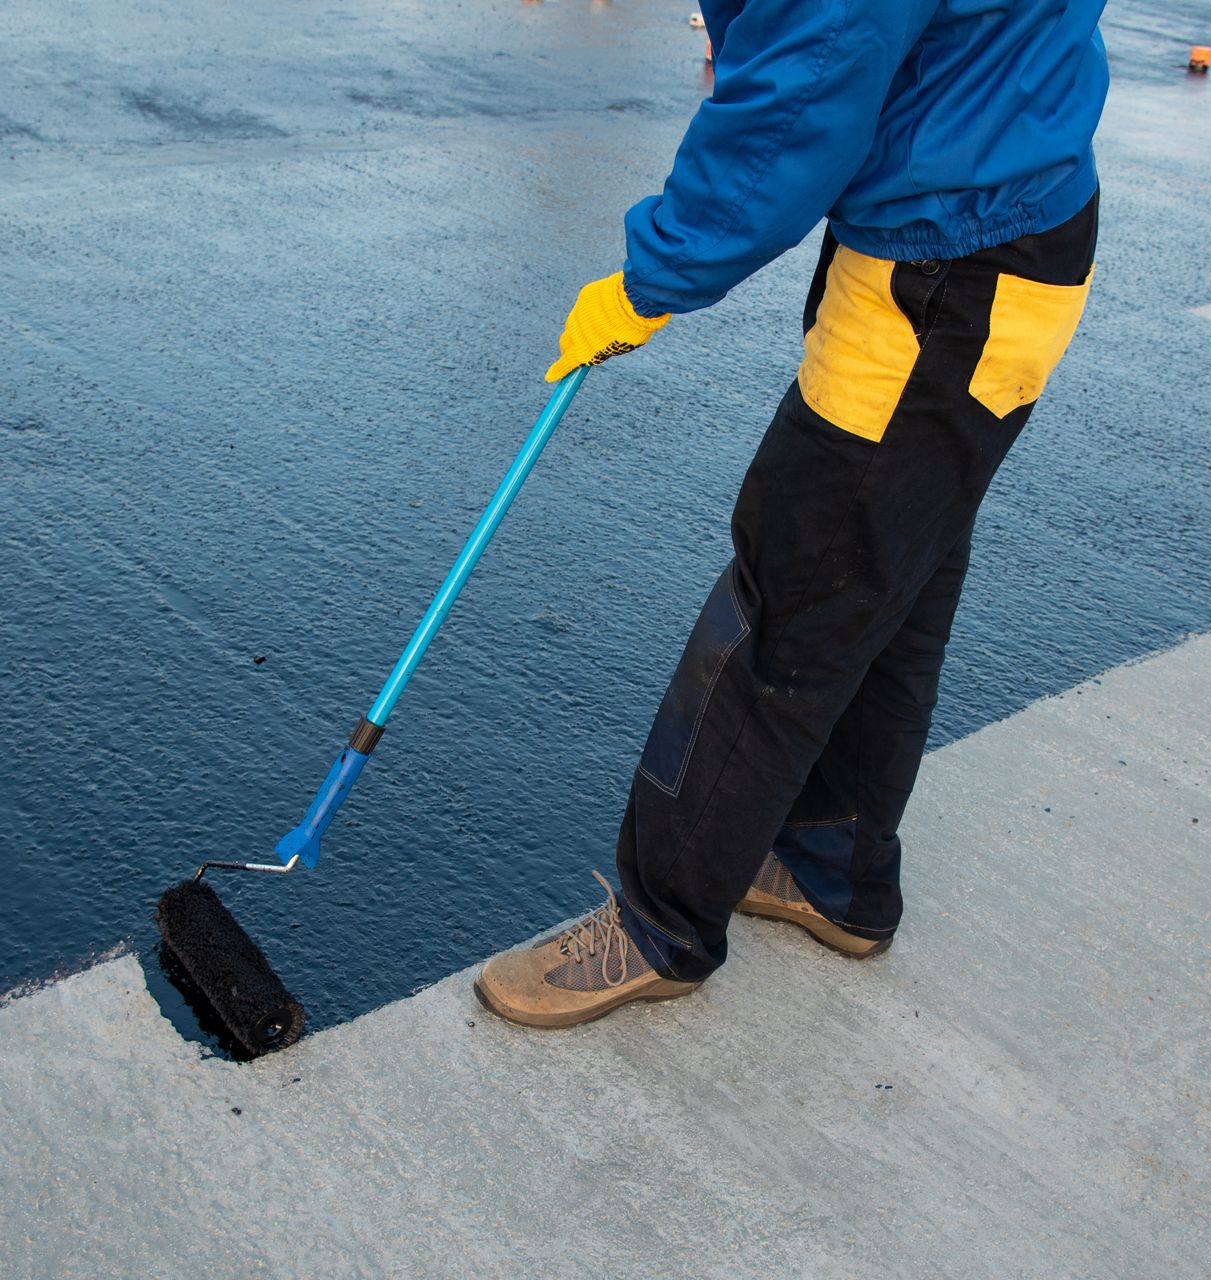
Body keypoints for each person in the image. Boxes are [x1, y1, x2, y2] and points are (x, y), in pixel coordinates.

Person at [475, 0, 1109, 1028]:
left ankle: (660, 923)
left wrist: (655, 275)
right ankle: (834, 868)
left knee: (790, 602)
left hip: (941, 266)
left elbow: (800, 98)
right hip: (1005, 225)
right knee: (892, 585)